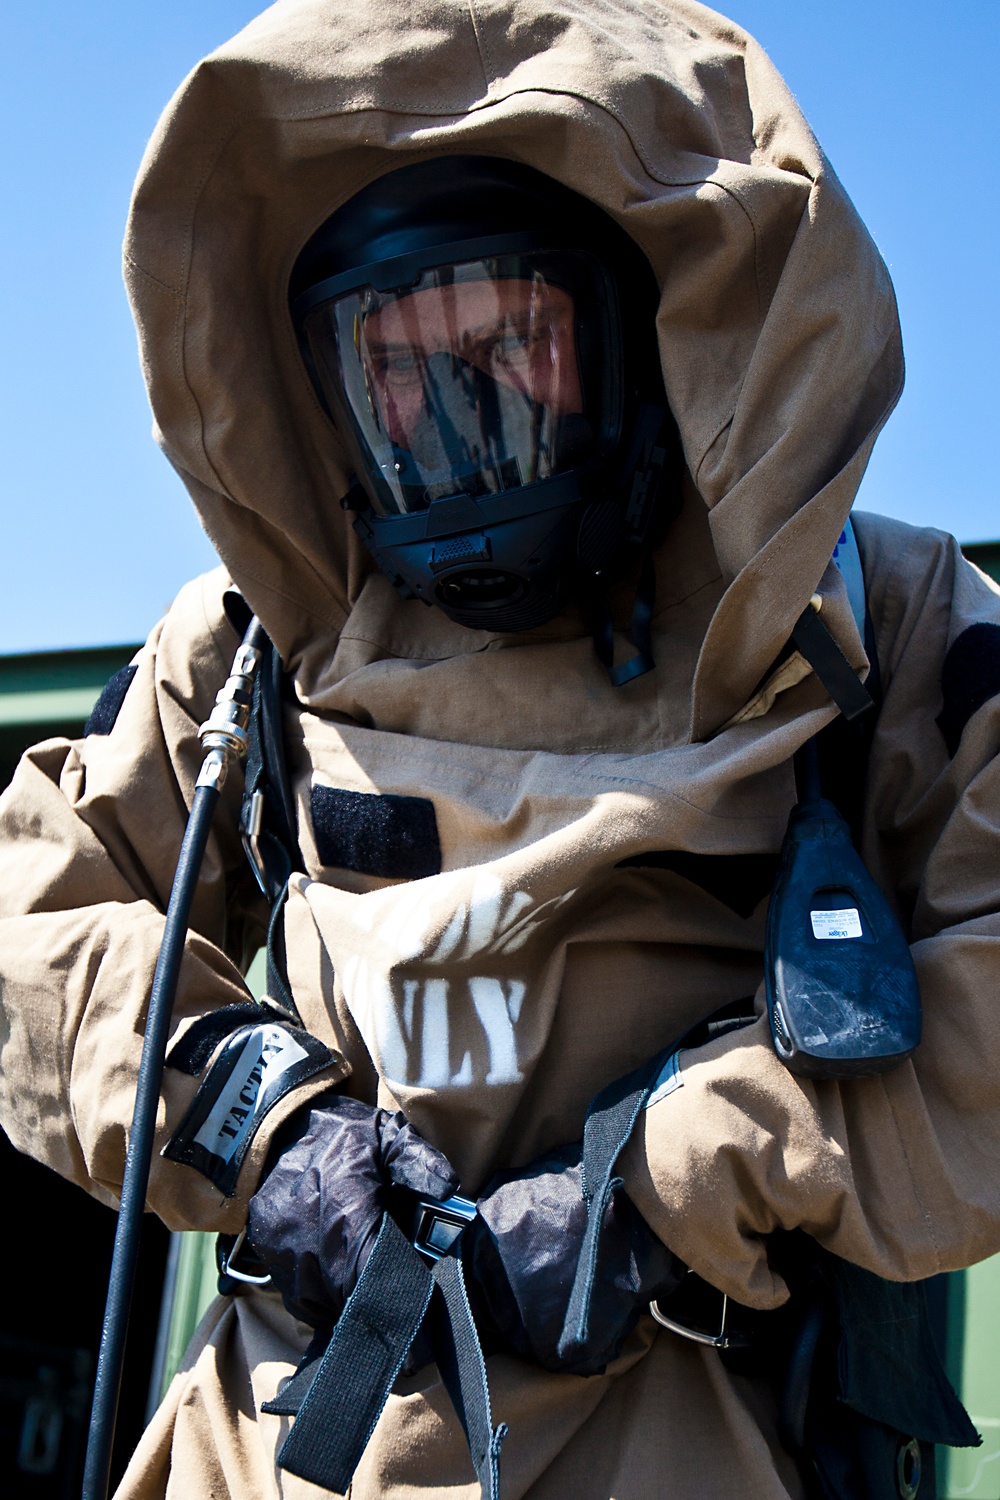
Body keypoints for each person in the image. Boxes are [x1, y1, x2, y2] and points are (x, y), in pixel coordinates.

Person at [1, 0, 998, 1496]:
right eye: (397, 363)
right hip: (275, 1451)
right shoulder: (245, 653)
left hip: (688, 1438)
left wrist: (674, 1181)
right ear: (325, 387)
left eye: (510, 339)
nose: (454, 411)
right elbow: (30, 913)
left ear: (635, 336)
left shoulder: (873, 620)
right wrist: (267, 1127)